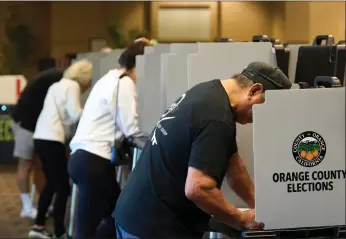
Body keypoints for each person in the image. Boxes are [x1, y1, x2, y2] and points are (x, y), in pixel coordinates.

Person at [113, 62, 292, 238]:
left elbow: (235, 169)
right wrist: (240, 219)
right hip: (155, 226)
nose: (259, 119)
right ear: (253, 91)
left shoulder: (208, 92)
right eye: (265, 108)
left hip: (135, 213)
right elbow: (198, 188)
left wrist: (261, 207)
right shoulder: (217, 119)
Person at [68, 40, 151, 239]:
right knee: (118, 218)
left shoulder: (109, 78)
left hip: (81, 159)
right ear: (140, 63)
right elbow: (131, 127)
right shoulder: (124, 83)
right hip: (94, 162)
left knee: (112, 217)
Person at [28, 59, 93, 239]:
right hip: (52, 139)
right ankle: (60, 232)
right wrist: (93, 113)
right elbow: (74, 113)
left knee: (51, 183)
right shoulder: (72, 86)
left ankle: (39, 226)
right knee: (63, 187)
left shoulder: (57, 85)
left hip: (41, 137)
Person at [11, 68, 64, 219]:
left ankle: (42, 204)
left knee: (40, 165)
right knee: (25, 164)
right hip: (25, 123)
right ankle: (26, 207)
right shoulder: (59, 80)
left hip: (34, 123)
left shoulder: (53, 77)